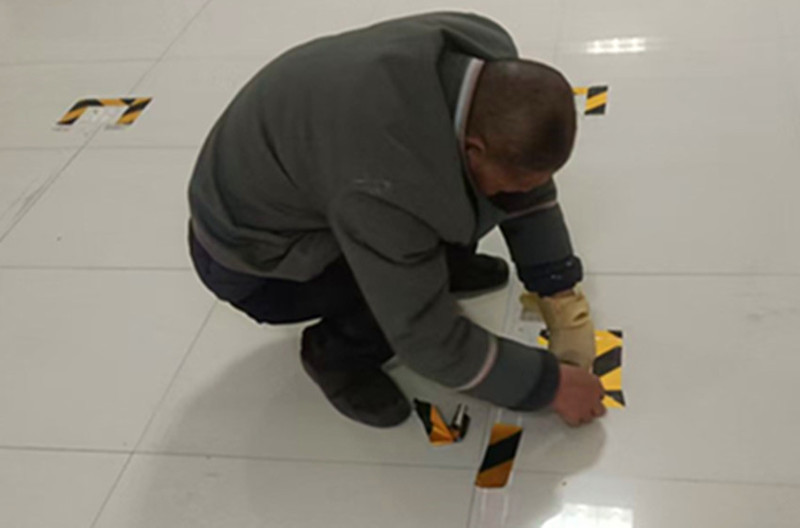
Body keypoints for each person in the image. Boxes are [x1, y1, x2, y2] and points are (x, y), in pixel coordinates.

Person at [187, 11, 606, 429]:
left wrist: (558, 288)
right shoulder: (381, 180)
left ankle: (443, 264)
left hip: (305, 175)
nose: (518, 194)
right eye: (516, 186)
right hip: (249, 259)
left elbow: (522, 177)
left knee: (467, 201)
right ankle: (338, 355)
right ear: (474, 148)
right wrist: (549, 386)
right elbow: (427, 339)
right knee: (407, 279)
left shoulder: (484, 63)